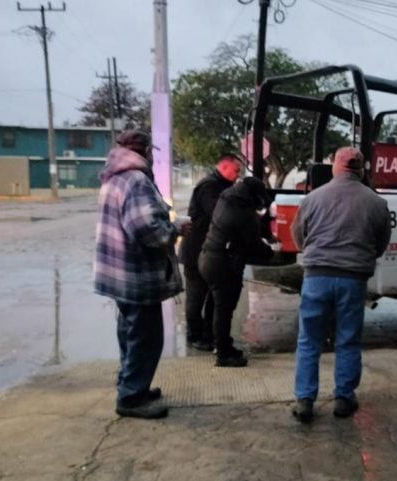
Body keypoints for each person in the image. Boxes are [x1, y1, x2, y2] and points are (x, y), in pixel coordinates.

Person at [290, 147, 391, 423]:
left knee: (309, 339)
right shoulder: (376, 203)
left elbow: (299, 236)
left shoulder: (312, 198)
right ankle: (344, 397)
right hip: (353, 279)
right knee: (348, 338)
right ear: (360, 170)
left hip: (316, 277)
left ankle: (305, 399)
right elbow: (380, 243)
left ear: (335, 166)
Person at [94, 129, 190, 419]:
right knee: (146, 337)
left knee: (130, 332)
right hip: (135, 275)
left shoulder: (114, 178)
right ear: (145, 151)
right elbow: (146, 229)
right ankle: (132, 397)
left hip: (118, 274)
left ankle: (132, 385)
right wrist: (176, 229)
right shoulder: (136, 181)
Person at [198, 177, 275, 367]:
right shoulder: (243, 211)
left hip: (208, 256)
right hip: (223, 262)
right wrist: (270, 251)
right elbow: (253, 244)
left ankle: (219, 342)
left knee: (215, 305)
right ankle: (223, 354)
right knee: (224, 309)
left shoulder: (227, 198)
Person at [178, 156, 242, 352]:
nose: (238, 175)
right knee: (197, 296)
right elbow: (218, 213)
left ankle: (209, 334)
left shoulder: (221, 186)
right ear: (223, 167)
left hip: (209, 252)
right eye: (236, 170)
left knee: (213, 297)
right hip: (196, 250)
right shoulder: (209, 186)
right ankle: (194, 336)